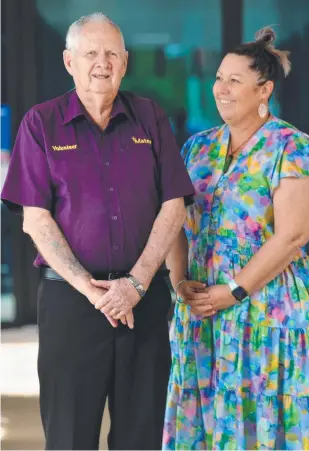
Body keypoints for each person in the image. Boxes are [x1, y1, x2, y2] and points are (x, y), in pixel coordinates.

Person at [1, 13, 194, 450]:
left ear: (125, 62)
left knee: (141, 435)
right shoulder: (40, 123)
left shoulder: (149, 118)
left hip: (142, 302)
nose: (101, 62)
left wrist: (136, 282)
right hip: (71, 304)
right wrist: (96, 293)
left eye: (111, 53)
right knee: (70, 435)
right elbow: (36, 218)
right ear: (69, 61)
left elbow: (174, 205)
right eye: (91, 53)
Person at [163, 27, 309, 450]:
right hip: (204, 310)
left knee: (270, 416)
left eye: (234, 81)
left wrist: (235, 290)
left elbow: (294, 234)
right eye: (219, 78)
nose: (221, 89)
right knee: (206, 412)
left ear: (265, 90)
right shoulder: (197, 149)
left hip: (268, 310)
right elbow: (174, 218)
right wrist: (178, 279)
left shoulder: (291, 148)